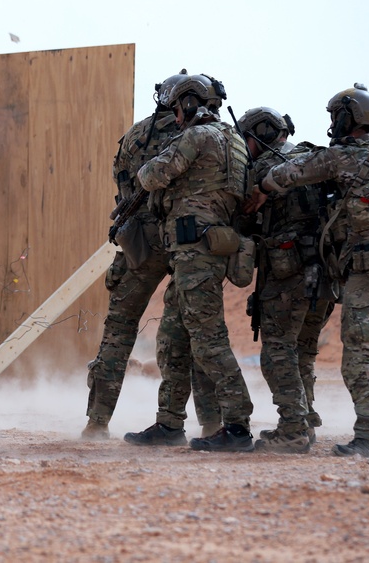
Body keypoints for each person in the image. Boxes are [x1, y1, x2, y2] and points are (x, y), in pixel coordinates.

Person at [252, 83, 369, 458]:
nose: (333, 123)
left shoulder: (344, 156)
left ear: (349, 117)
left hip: (367, 265)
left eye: (335, 116)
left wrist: (262, 187)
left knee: (362, 355)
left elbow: (291, 172)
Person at [83, 72, 221, 442]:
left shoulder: (136, 134)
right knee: (194, 333)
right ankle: (209, 422)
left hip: (140, 242)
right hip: (187, 240)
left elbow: (122, 178)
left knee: (118, 332)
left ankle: (97, 421)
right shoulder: (204, 132)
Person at [127, 72, 256, 452]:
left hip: (196, 253)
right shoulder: (233, 139)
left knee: (208, 341)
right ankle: (169, 423)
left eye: (177, 109)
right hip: (196, 254)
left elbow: (150, 175)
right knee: (172, 340)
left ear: (188, 103)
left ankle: (237, 426)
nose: (175, 117)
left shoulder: (199, 135)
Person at [235, 107, 336, 453]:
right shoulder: (312, 157)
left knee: (277, 351)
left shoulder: (263, 169)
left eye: (246, 139)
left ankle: (292, 428)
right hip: (324, 272)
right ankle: (305, 424)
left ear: (260, 134)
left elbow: (243, 217)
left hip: (288, 271)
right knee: (303, 351)